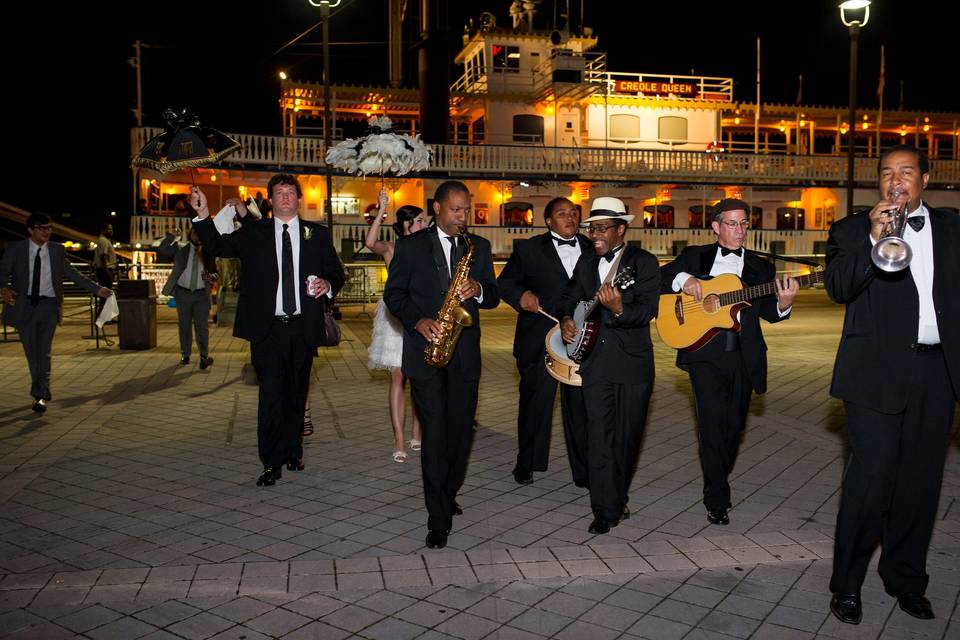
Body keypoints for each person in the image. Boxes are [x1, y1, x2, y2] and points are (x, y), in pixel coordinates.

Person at [825, 145, 960, 626]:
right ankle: (846, 586)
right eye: (886, 173)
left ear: (925, 177)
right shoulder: (848, 229)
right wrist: (872, 236)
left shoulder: (951, 228)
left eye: (906, 172)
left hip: (937, 374)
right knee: (870, 484)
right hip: (875, 374)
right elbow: (839, 288)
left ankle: (905, 579)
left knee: (920, 485)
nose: (896, 181)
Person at [192, 175, 345, 487]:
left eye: (291, 193)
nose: (286, 198)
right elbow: (218, 245)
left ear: (298, 199)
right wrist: (203, 213)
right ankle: (271, 462)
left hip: (303, 328)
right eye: (279, 193)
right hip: (268, 329)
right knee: (271, 395)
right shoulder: (255, 232)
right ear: (271, 201)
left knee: (296, 394)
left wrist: (328, 285)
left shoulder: (316, 234)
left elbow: (335, 272)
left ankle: (293, 451)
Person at [660, 199, 798, 527]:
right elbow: (661, 276)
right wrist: (684, 279)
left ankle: (717, 474)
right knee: (711, 425)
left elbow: (768, 313)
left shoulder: (761, 268)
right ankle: (717, 497)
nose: (740, 231)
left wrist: (783, 304)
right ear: (717, 227)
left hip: (743, 356)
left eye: (745, 224)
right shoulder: (696, 256)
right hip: (704, 355)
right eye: (733, 224)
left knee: (733, 429)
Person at [383, 180, 499, 549]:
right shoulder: (411, 246)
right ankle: (437, 518)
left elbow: (494, 296)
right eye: (456, 210)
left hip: (465, 355)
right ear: (436, 208)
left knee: (461, 433)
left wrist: (478, 289)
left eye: (467, 210)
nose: (463, 217)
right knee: (434, 434)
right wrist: (418, 320)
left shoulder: (477, 247)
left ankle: (447, 491)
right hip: (425, 353)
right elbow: (394, 294)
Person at [557, 197, 660, 535]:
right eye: (592, 229)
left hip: (632, 366)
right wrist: (565, 322)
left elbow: (647, 311)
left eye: (602, 229)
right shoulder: (586, 263)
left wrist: (618, 309)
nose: (595, 235)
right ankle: (605, 509)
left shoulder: (643, 263)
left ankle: (618, 495)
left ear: (621, 229)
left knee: (627, 440)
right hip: (595, 364)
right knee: (599, 438)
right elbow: (570, 297)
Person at [498, 196, 592, 487]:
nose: (570, 218)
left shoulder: (591, 248)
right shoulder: (528, 249)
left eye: (574, 213)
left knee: (581, 408)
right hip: (538, 338)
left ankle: (584, 470)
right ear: (549, 221)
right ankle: (528, 462)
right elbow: (505, 283)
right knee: (535, 404)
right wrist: (520, 296)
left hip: (579, 338)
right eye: (562, 213)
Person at [0, 213, 112, 412]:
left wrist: (97, 289)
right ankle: (41, 387)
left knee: (44, 351)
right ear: (31, 230)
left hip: (48, 307)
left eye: (49, 227)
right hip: (24, 306)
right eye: (42, 228)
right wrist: (4, 288)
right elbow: (2, 272)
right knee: (31, 353)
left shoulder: (57, 250)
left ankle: (40, 394)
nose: (47, 231)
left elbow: (73, 274)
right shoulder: (15, 249)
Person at [365, 187, 429, 462]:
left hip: (423, 315)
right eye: (419, 221)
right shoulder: (393, 248)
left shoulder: (429, 247)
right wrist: (381, 211)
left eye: (424, 220)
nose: (424, 225)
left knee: (420, 376)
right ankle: (399, 439)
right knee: (398, 377)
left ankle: (418, 430)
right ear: (406, 226)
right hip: (395, 317)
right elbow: (370, 243)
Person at [158, 224, 218, 368]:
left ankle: (204, 356)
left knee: (201, 327)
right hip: (183, 293)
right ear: (190, 235)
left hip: (201, 295)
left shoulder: (208, 252)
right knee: (184, 326)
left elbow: (216, 273)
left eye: (199, 233)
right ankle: (185, 354)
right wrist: (172, 236)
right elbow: (162, 249)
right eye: (194, 233)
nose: (197, 236)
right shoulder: (181, 249)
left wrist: (211, 277)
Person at [94, 223, 117, 314]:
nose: (111, 231)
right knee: (106, 294)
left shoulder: (104, 240)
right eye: (108, 229)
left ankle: (105, 316)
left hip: (104, 270)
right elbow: (103, 256)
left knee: (106, 294)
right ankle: (104, 316)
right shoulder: (103, 241)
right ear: (103, 230)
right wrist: (106, 271)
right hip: (105, 270)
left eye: (111, 229)